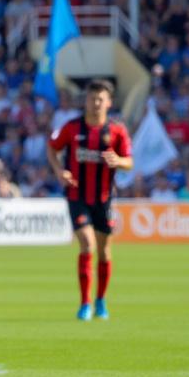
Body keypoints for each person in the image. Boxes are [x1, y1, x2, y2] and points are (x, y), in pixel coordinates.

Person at [47, 80, 134, 321]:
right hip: (77, 196)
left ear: (108, 102)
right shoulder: (72, 128)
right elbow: (52, 148)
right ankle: (84, 303)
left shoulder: (116, 131)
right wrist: (58, 171)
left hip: (104, 198)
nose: (95, 103)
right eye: (91, 98)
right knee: (87, 244)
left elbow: (129, 161)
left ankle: (101, 300)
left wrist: (118, 160)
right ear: (85, 100)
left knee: (105, 251)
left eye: (100, 99)